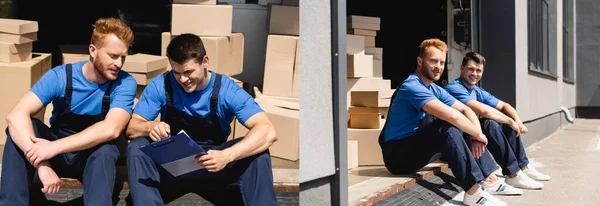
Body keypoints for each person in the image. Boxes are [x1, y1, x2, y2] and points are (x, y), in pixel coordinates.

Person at [125, 33, 278, 206]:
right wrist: (150, 126)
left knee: (258, 152)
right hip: (173, 166)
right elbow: (132, 127)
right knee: (137, 145)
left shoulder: (227, 90)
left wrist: (227, 155)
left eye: (188, 71)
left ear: (205, 61)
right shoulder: (161, 84)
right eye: (177, 73)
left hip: (214, 165)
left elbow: (268, 131)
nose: (183, 79)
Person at [0, 17, 137, 205]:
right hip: (57, 155)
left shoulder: (124, 83)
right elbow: (15, 115)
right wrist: (42, 163)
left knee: (106, 149)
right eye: (113, 56)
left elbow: (111, 129)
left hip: (91, 158)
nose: (119, 64)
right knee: (24, 128)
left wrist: (52, 148)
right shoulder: (61, 76)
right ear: (93, 51)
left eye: (123, 57)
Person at [378, 38, 523, 206]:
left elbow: (466, 110)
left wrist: (476, 136)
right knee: (448, 126)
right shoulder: (412, 86)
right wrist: (478, 134)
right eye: (433, 61)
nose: (438, 66)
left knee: (464, 125)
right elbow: (452, 117)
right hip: (397, 156)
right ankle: (473, 193)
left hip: (416, 148)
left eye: (441, 62)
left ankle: (489, 180)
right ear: (420, 61)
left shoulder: (433, 88)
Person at [445, 52, 550, 190]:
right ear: (462, 68)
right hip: (455, 139)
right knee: (490, 123)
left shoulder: (477, 91)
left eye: (478, 70)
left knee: (503, 123)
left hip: (471, 133)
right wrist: (509, 121)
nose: (474, 73)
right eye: (471, 69)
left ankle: (524, 166)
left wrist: (517, 121)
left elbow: (505, 106)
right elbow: (484, 111)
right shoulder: (454, 88)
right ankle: (513, 174)